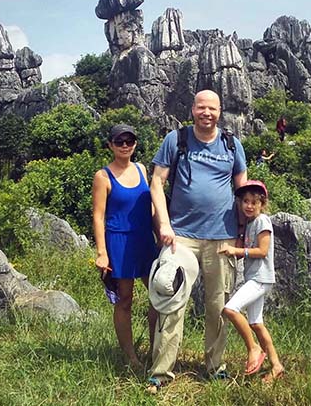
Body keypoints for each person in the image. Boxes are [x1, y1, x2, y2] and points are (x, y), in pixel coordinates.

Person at [146, 90, 248, 393]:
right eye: (202, 107)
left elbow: (243, 189)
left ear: (220, 111)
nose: (207, 113)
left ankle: (215, 366)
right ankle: (160, 372)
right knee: (171, 296)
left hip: (222, 237)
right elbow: (156, 182)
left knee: (219, 305)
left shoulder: (232, 144)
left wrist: (244, 234)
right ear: (192, 109)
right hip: (181, 237)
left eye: (213, 108)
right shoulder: (176, 140)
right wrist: (163, 224)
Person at [92, 124, 159, 371]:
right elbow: (98, 216)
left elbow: (150, 206)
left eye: (129, 141)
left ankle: (156, 349)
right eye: (119, 141)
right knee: (125, 300)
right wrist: (102, 252)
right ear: (110, 145)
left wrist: (160, 231)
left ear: (135, 144)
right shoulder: (103, 176)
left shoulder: (141, 169)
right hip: (119, 241)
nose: (124, 146)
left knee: (159, 294)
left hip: (144, 240)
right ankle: (131, 357)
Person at [218, 180, 285, 382]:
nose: (248, 205)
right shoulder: (248, 224)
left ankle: (254, 348)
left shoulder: (263, 221)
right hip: (254, 277)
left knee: (230, 309)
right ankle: (276, 365)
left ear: (262, 204)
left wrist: (236, 250)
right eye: (245, 201)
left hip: (261, 278)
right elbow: (241, 253)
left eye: (253, 202)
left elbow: (262, 251)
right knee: (256, 323)